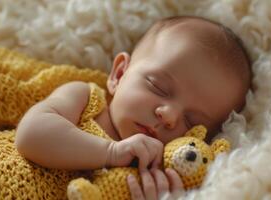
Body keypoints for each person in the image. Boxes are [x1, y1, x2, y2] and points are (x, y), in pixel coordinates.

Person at [15, 16, 251, 200]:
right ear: (119, 74)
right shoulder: (86, 101)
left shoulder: (156, 179)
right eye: (157, 87)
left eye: (191, 121)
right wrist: (110, 152)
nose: (168, 115)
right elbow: (30, 136)